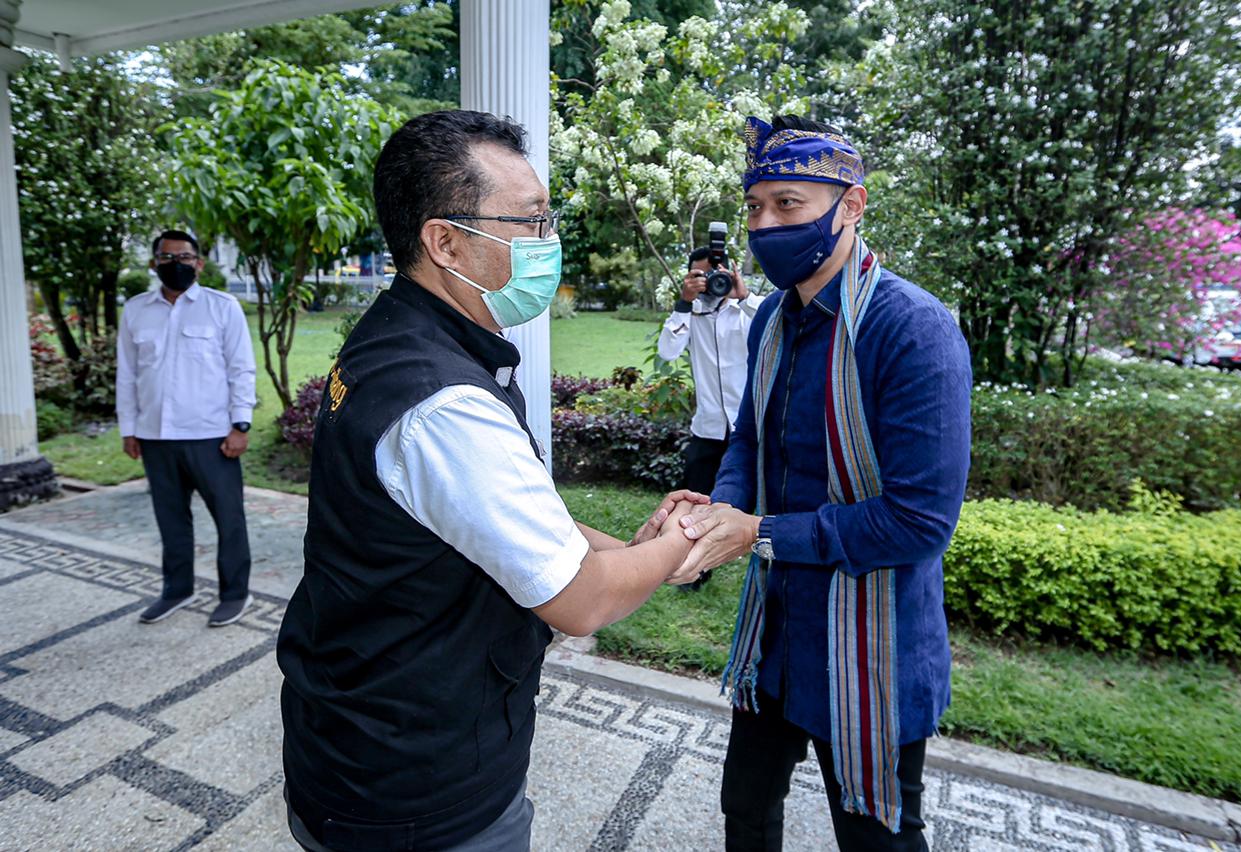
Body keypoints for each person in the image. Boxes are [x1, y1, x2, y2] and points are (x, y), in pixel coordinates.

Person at [276, 110, 703, 852]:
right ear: (445, 242)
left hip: (356, 737)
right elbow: (581, 601)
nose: (549, 241)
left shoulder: (396, 335)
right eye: (531, 221)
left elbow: (488, 516)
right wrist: (681, 545)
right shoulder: (444, 402)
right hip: (418, 790)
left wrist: (625, 548)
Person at [671, 116, 973, 851]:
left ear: (851, 205)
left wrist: (758, 533)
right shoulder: (772, 319)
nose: (764, 226)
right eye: (755, 207)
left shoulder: (913, 329)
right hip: (776, 633)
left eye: (788, 204)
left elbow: (920, 522)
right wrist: (718, 512)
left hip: (870, 648)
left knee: (876, 837)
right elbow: (749, 438)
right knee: (745, 810)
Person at [116, 230, 257, 628]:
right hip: (155, 436)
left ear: (198, 263)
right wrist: (129, 428)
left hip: (212, 436)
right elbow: (126, 374)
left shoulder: (222, 307)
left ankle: (235, 593)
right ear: (153, 263)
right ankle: (177, 589)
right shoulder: (136, 311)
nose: (175, 264)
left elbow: (241, 369)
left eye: (184, 257)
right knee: (171, 519)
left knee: (229, 519)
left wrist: (240, 425)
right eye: (166, 257)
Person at [657, 248, 762, 591]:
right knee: (696, 503)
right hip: (708, 427)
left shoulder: (746, 311)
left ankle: (767, 566)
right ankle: (693, 574)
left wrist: (743, 296)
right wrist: (684, 303)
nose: (708, 282)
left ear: (728, 273)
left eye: (713, 274)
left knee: (761, 501)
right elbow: (667, 352)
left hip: (750, 430)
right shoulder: (692, 314)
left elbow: (774, 328)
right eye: (699, 276)